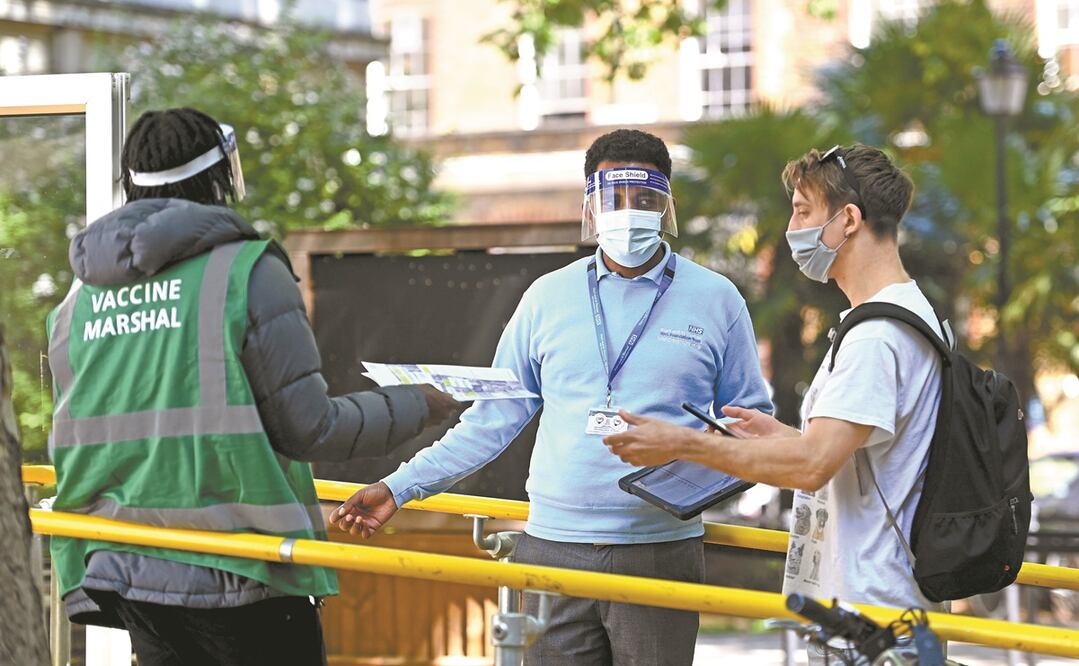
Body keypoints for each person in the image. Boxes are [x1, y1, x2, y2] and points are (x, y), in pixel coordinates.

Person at [330, 129, 773, 665]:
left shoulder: (716, 298)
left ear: (665, 205)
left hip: (659, 548)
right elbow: (493, 419)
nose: (629, 212)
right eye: (614, 199)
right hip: (552, 545)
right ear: (591, 204)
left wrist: (690, 459)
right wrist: (399, 487)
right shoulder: (547, 297)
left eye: (645, 199)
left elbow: (753, 425)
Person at [46, 107, 460, 666]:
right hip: (240, 568)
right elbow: (311, 429)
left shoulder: (80, 299)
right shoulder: (245, 271)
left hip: (126, 569)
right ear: (222, 178)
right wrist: (421, 404)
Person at [604, 144, 943, 664]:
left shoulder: (877, 337)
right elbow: (853, 456)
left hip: (873, 618)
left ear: (848, 219)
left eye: (803, 210)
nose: (792, 227)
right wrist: (781, 437)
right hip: (881, 611)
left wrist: (681, 443)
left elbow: (812, 466)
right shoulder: (907, 315)